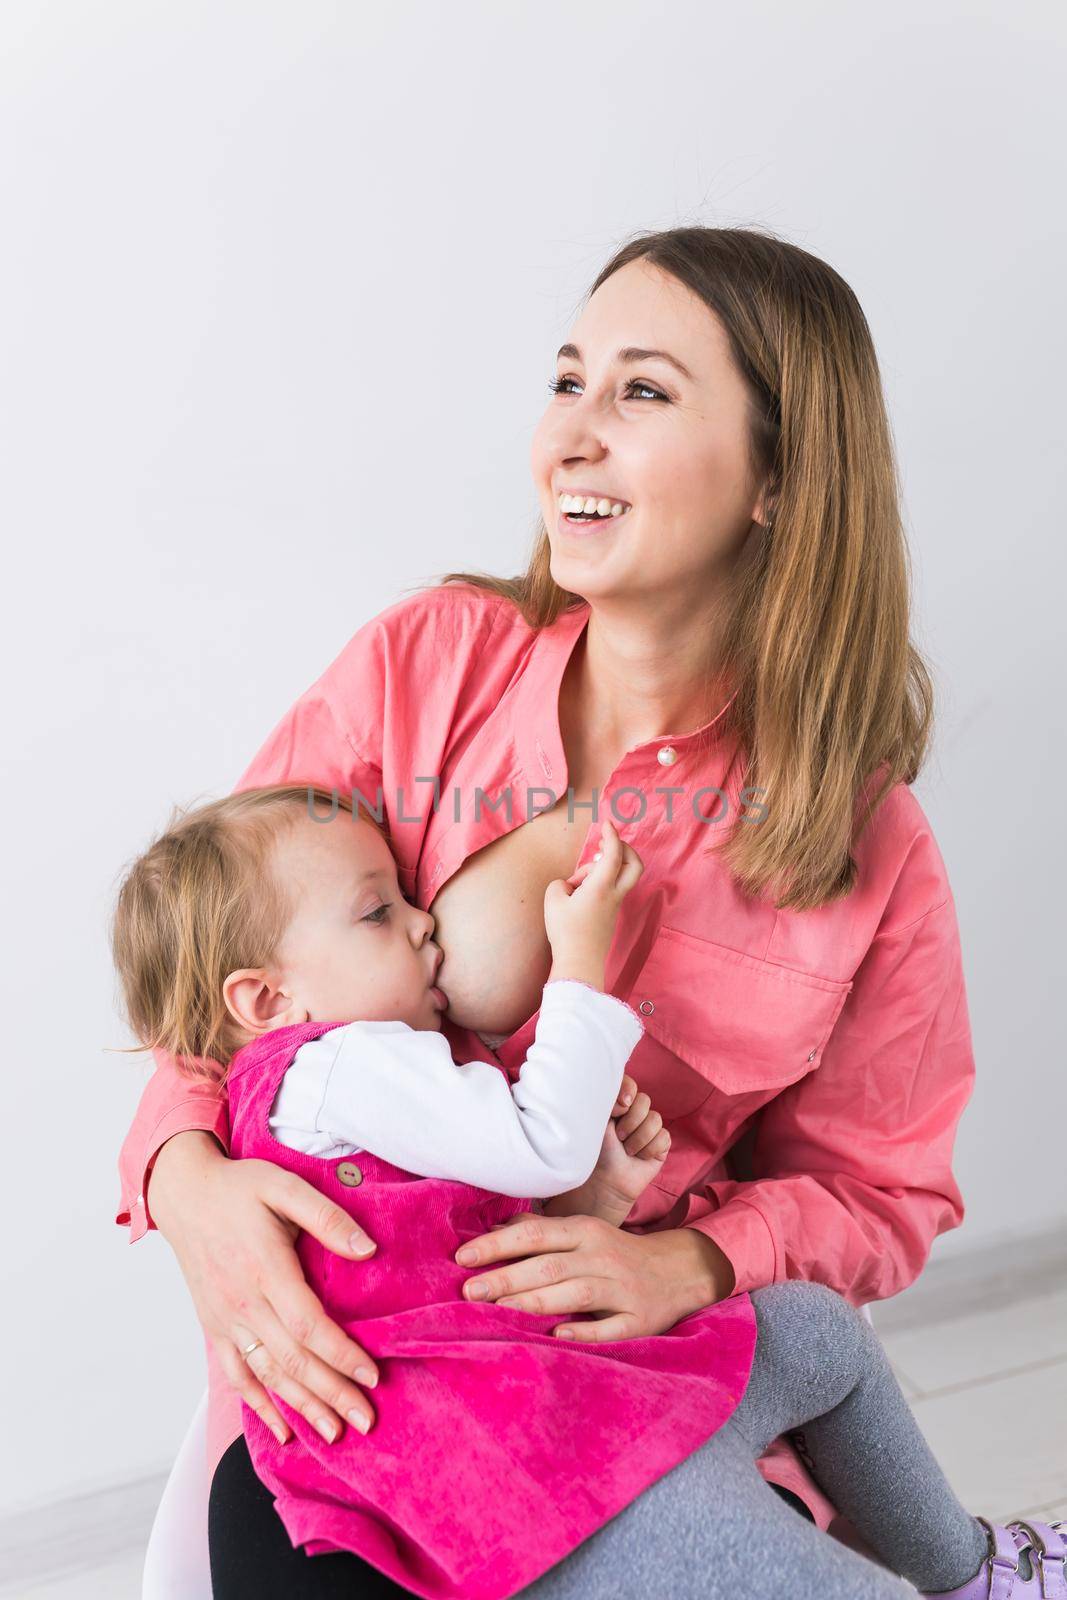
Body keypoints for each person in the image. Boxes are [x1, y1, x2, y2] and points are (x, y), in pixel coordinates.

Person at [116, 227, 984, 1577]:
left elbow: (879, 1192)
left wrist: (689, 1268)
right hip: (360, 1377)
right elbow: (217, 974)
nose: (569, 437)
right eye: (566, 380)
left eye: (639, 392)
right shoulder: (420, 666)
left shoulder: (862, 841)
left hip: (633, 1373)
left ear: (774, 478)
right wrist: (188, 1182)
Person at [111, 785, 1051, 1600]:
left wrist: (592, 1207)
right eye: (377, 913)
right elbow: (538, 1143)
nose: (420, 920)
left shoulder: (325, 1095)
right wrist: (578, 961)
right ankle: (961, 1571)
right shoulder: (337, 1066)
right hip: (524, 1460)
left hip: (534, 1385)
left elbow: (450, 1257)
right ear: (265, 1000)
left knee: (815, 1329)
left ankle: (968, 1571)